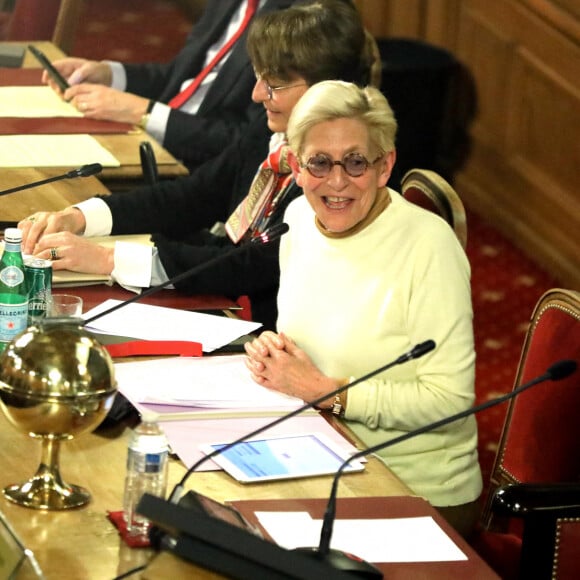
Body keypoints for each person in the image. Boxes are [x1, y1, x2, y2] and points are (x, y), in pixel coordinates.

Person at [19, 0, 372, 332]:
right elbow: (193, 196)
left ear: (324, 91)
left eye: (274, 85)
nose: (256, 95)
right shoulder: (271, 136)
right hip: (223, 303)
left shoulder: (336, 175)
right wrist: (81, 217)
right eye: (258, 78)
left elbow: (246, 266)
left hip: (266, 333)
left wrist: (109, 260)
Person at [244, 80, 483, 536]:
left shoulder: (429, 249)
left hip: (413, 491)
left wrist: (329, 392)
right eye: (319, 162)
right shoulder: (297, 220)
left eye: (355, 162)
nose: (336, 182)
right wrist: (278, 352)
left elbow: (450, 400)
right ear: (295, 166)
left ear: (384, 165)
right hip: (318, 455)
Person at [43, 0, 295, 172]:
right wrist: (110, 74)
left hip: (194, 167)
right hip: (150, 140)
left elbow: (252, 139)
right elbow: (183, 77)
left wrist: (144, 113)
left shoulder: (300, 19)